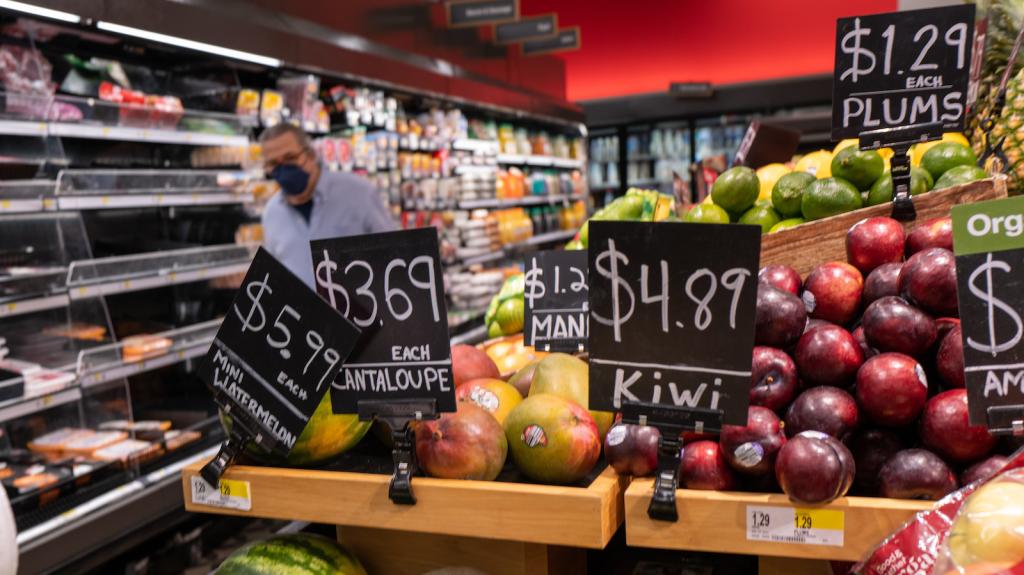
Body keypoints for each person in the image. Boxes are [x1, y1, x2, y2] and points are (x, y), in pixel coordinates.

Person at [260, 123, 396, 287]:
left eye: (290, 158)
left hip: (361, 310)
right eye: (274, 163)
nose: (283, 169)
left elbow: (393, 254)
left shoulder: (358, 193)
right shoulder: (271, 214)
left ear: (311, 154)